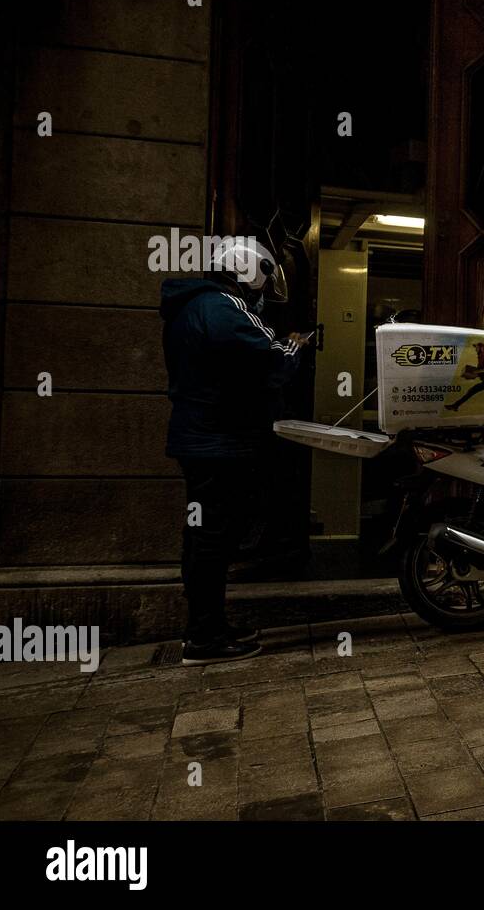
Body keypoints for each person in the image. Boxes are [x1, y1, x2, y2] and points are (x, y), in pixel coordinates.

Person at [159, 238, 310, 665]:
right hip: (219, 443)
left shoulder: (193, 307)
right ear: (249, 270)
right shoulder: (224, 307)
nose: (264, 290)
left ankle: (209, 627)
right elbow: (270, 359)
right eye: (263, 278)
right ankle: (205, 637)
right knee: (213, 541)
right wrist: (296, 344)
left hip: (201, 439)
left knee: (204, 537)